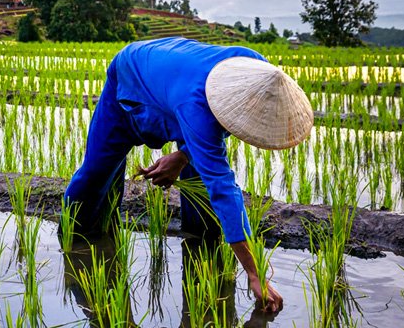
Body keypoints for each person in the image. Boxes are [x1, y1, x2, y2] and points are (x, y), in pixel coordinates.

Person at [63, 37, 313, 312]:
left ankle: (202, 239)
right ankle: (75, 236)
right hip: (133, 75)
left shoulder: (256, 70)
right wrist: (255, 274)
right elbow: (223, 188)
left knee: (200, 181)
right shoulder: (195, 107)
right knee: (97, 173)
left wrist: (182, 156)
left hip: (176, 84)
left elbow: (218, 126)